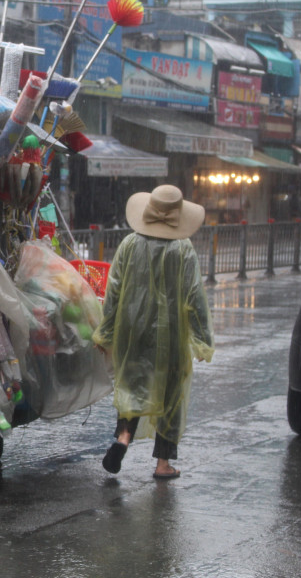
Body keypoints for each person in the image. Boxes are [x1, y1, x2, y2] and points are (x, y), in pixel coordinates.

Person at [93, 184, 214, 480]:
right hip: (171, 334)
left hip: (131, 330)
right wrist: (202, 341)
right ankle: (163, 464)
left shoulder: (129, 244)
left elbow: (114, 292)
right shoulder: (183, 250)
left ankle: (122, 439)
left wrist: (106, 333)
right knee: (171, 396)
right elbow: (195, 297)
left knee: (132, 387)